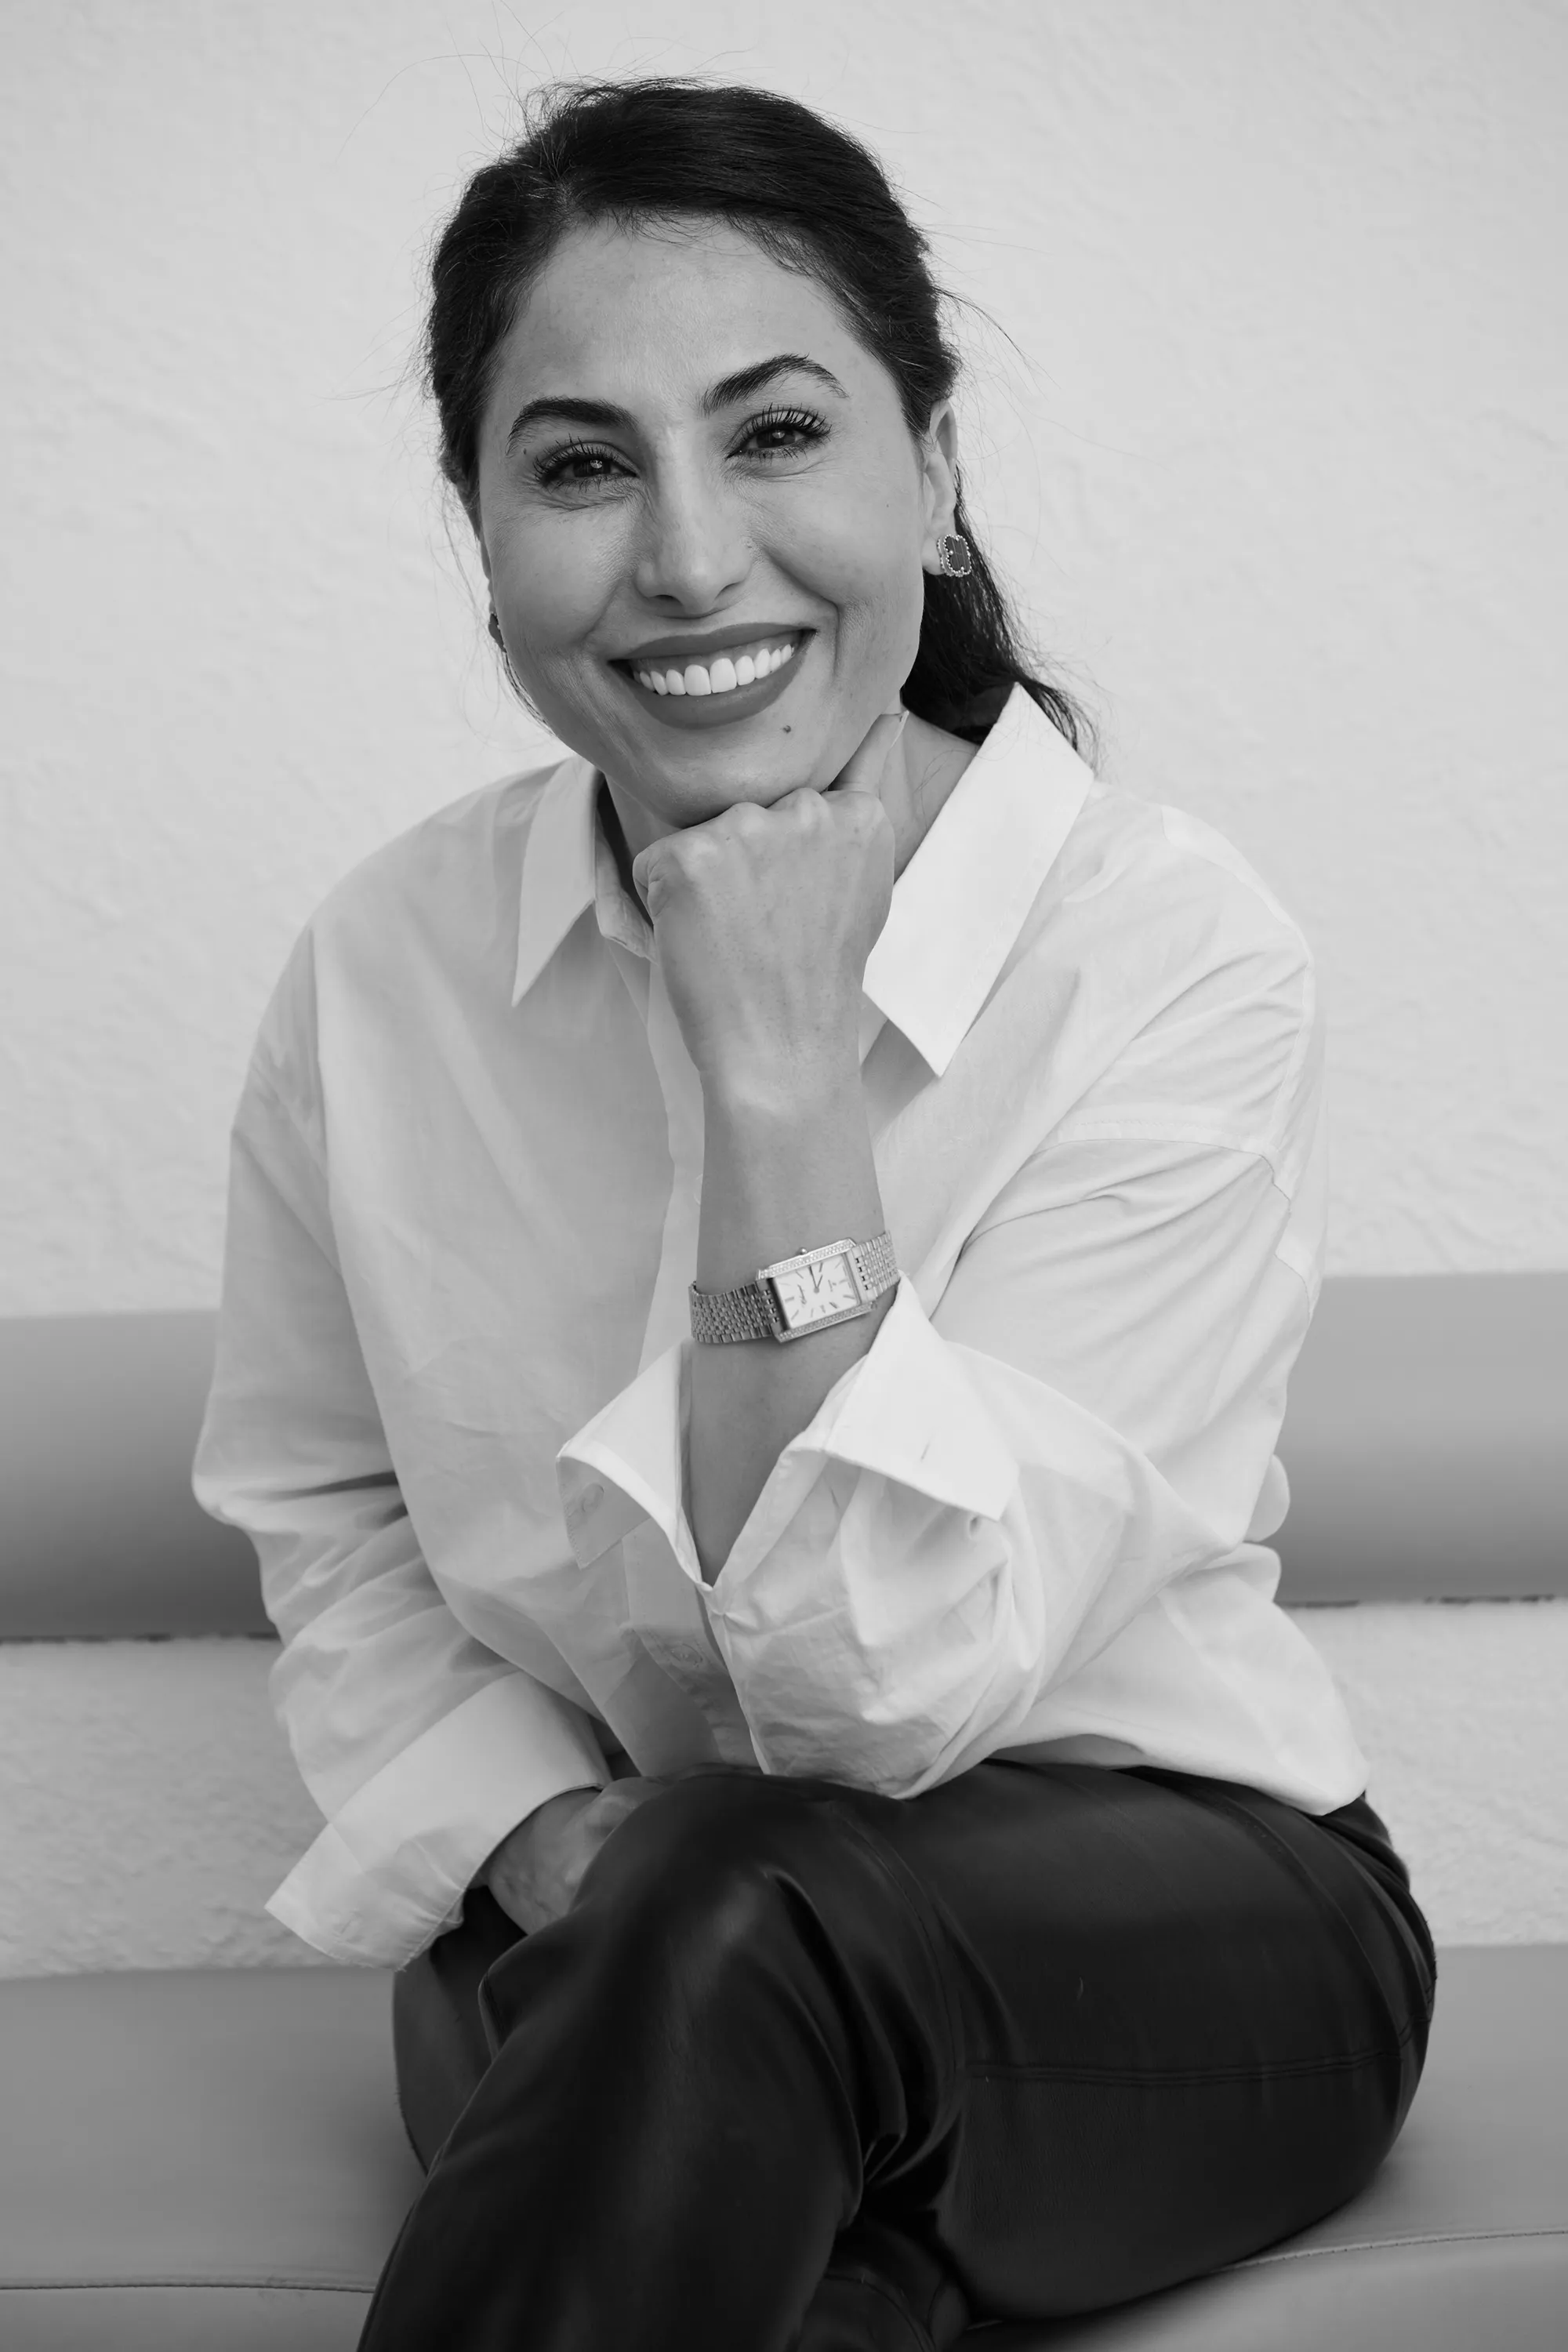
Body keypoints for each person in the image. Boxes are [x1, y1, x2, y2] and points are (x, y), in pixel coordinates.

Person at [191, 75, 1436, 2352]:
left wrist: (776, 1075)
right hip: (602, 1910)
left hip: (1175, 1925)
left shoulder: (1162, 952)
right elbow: (332, 1502)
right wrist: (526, 1838)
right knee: (775, 2216)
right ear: (478, 544)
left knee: (737, 1913)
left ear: (934, 474)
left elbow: (875, 1713)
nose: (683, 558)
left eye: (775, 434)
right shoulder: (384, 968)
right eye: (581, 466)